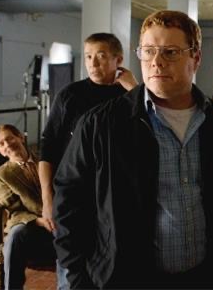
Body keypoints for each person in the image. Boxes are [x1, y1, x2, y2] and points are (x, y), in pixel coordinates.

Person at [53, 10, 213, 289]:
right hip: (127, 279)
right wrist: (79, 278)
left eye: (170, 52)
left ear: (196, 58)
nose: (156, 62)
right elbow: (68, 203)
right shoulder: (101, 124)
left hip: (207, 276)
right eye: (148, 51)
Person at [39, 32, 137, 289]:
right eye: (88, 56)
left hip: (113, 197)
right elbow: (48, 148)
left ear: (118, 60)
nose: (93, 63)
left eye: (101, 56)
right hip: (72, 194)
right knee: (70, 270)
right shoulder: (69, 95)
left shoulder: (130, 97)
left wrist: (135, 89)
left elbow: (154, 128)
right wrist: (47, 199)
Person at [0, 125, 58, 290]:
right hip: (33, 226)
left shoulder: (48, 160)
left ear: (20, 137)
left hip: (60, 218)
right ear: (0, 151)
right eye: (1, 144)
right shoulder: (0, 175)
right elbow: (14, 210)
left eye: (9, 138)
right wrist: (38, 221)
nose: (7, 144)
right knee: (15, 234)